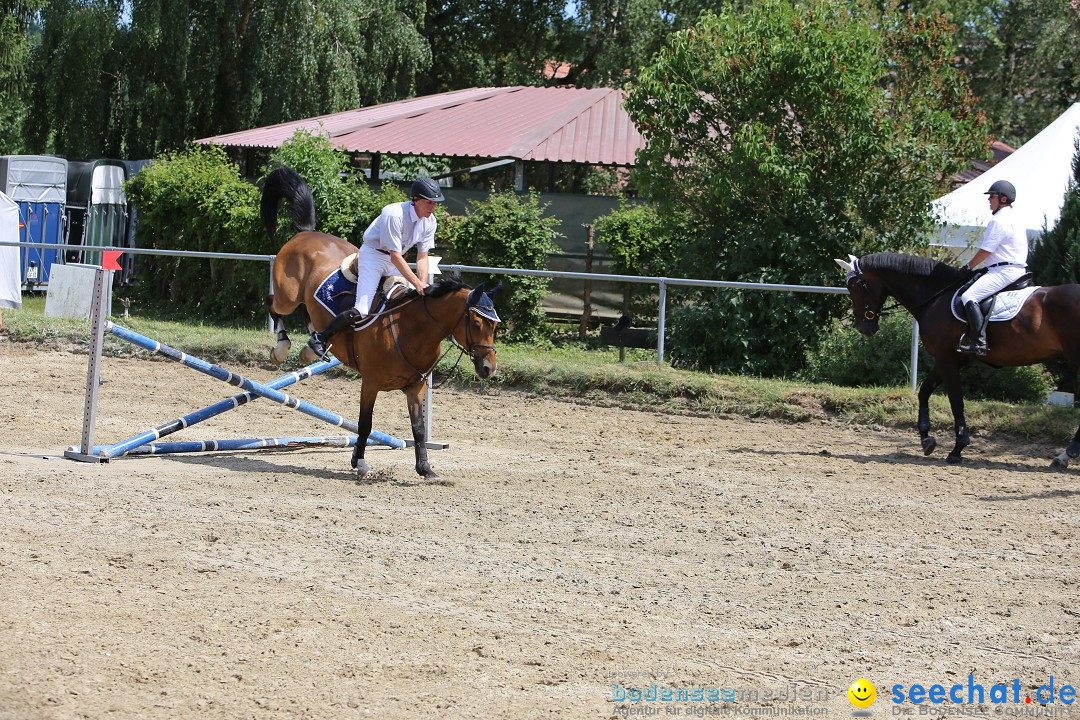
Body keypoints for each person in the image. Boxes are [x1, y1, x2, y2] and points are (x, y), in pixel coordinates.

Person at [308, 177, 445, 357]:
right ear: (415, 199)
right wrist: (416, 283)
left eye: (435, 203)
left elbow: (422, 256)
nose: (432, 207)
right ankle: (320, 337)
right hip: (373, 257)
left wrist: (422, 283)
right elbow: (395, 256)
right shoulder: (394, 214)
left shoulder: (430, 221)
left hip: (396, 260)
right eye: (429, 202)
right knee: (362, 310)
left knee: (414, 302)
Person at [956, 179, 1028, 355]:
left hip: (1003, 271)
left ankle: (978, 342)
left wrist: (967, 266)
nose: (989, 200)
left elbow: (986, 251)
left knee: (969, 297)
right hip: (1012, 268)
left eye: (992, 197)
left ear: (1003, 199)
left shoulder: (999, 220)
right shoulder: (1014, 218)